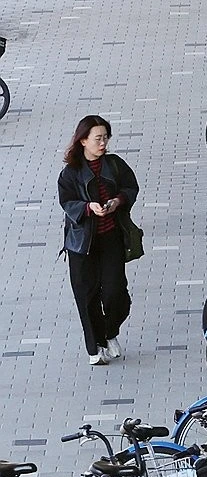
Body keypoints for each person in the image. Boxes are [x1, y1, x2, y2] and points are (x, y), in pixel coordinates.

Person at [58, 115, 139, 366]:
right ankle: (95, 348)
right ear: (83, 140)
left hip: (111, 237)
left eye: (105, 138)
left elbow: (130, 188)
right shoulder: (70, 173)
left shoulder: (114, 165)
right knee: (86, 296)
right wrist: (88, 207)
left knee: (117, 293)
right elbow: (67, 202)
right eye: (98, 139)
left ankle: (109, 332)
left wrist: (117, 201)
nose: (103, 143)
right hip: (82, 244)